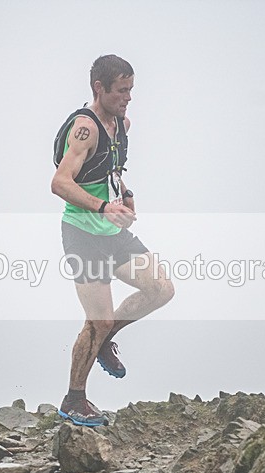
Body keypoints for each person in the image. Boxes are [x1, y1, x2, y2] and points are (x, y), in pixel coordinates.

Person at [51, 55, 174, 426]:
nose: (128, 97)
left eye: (131, 90)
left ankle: (105, 340)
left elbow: (112, 167)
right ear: (98, 88)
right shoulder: (84, 129)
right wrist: (103, 206)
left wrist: (126, 193)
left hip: (113, 233)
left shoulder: (122, 124)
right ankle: (74, 399)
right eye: (122, 90)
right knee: (97, 319)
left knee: (160, 289)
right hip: (82, 233)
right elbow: (60, 183)